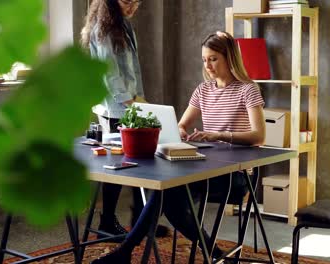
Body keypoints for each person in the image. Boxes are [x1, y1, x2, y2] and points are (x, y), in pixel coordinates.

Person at [91, 31, 265, 264]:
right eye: (204, 60)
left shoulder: (248, 89)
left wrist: (219, 135)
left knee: (168, 195)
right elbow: (182, 124)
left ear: (229, 58)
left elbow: (259, 136)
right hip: (206, 169)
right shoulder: (203, 90)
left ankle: (124, 252)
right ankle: (213, 253)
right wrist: (180, 131)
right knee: (168, 197)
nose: (208, 65)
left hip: (236, 176)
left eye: (213, 59)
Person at [81, 0, 165, 241]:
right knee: (117, 166)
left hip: (130, 103)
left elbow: (133, 69)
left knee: (139, 163)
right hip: (114, 107)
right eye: (127, 1)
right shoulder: (102, 28)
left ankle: (140, 222)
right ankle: (108, 222)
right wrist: (129, 101)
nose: (132, 7)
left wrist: (140, 99)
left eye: (137, 3)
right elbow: (109, 72)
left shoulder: (123, 25)